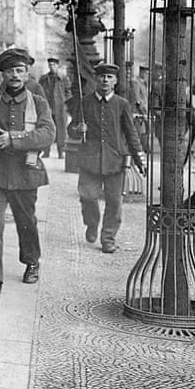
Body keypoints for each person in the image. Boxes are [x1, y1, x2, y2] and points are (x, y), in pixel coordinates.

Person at [0, 48, 55, 300]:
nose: (14, 75)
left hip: (26, 173)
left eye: (19, 70)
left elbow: (48, 134)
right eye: (9, 71)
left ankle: (32, 261)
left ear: (27, 74)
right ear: (2, 74)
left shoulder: (38, 103)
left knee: (26, 222)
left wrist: (13, 139)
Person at [68, 62, 145, 253]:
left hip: (115, 161)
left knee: (114, 203)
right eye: (101, 76)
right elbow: (72, 129)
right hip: (89, 160)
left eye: (109, 77)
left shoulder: (122, 104)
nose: (105, 80)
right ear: (95, 79)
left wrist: (139, 158)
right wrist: (78, 129)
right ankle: (92, 223)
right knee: (87, 197)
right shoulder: (85, 102)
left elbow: (131, 133)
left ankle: (108, 238)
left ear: (115, 81)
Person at [39, 57, 68, 158]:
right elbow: (39, 92)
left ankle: (61, 152)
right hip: (47, 108)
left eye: (54, 65)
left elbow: (68, 92)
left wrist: (65, 104)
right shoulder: (43, 78)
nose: (52, 67)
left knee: (61, 131)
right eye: (50, 65)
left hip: (60, 108)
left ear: (57, 66)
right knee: (47, 129)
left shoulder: (63, 78)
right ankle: (46, 151)